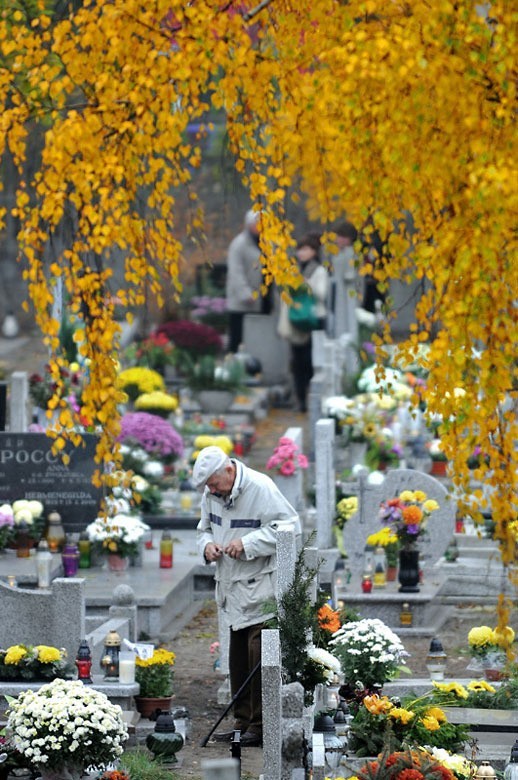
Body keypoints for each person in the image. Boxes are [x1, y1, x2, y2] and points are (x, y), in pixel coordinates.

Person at [193, 445, 300, 748]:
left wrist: (248, 543)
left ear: (229, 470)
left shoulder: (260, 487)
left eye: (214, 483)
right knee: (238, 660)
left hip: (260, 587)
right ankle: (242, 723)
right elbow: (203, 529)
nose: (211, 490)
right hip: (231, 588)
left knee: (259, 655)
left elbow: (290, 527)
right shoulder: (212, 493)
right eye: (207, 486)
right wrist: (207, 546)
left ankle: (261, 724)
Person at [277, 233, 329, 412]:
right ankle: (301, 399)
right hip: (296, 321)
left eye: (305, 249)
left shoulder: (319, 271)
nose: (301, 253)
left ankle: (314, 398)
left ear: (314, 251)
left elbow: (323, 295)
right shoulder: (295, 270)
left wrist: (307, 284)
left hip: (314, 321)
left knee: (312, 361)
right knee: (298, 362)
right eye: (299, 249)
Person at [225, 209, 265, 354]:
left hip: (262, 301)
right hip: (242, 303)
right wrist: (245, 294)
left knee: (258, 339)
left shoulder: (267, 243)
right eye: (257, 223)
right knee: (238, 337)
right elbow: (235, 272)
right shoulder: (239, 244)